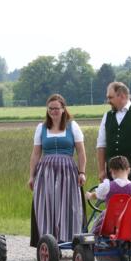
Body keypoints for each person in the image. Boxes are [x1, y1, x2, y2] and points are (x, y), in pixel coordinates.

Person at [28, 94, 87, 247]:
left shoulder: (72, 126)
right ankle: (49, 243)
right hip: (45, 172)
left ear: (63, 109)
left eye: (56, 108)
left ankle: (70, 240)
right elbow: (36, 154)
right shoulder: (41, 128)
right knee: (47, 205)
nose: (53, 111)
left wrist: (82, 172)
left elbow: (81, 151)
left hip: (67, 172)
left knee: (69, 205)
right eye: (50, 108)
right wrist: (31, 176)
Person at [85, 155, 131, 234]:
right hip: (129, 222)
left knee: (96, 225)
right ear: (128, 170)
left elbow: (97, 195)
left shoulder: (107, 185)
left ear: (112, 171)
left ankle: (94, 240)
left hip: (110, 223)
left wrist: (89, 195)